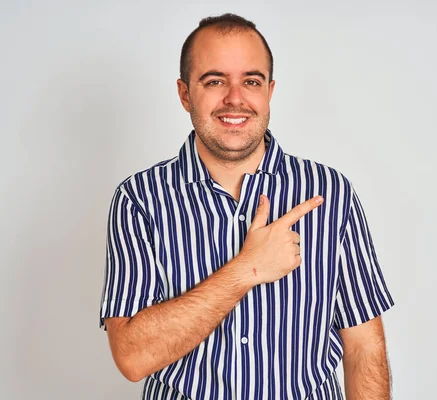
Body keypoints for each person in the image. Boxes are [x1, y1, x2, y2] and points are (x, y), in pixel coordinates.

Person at [99, 13, 395, 399]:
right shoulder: (139, 199)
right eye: (215, 81)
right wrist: (247, 269)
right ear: (185, 93)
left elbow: (363, 348)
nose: (235, 98)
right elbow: (132, 357)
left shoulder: (330, 193)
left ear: (269, 91)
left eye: (251, 81)